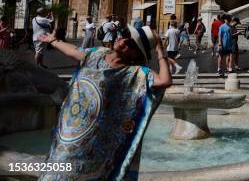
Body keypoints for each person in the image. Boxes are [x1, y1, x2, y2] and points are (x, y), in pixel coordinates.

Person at [38, 25, 171, 179]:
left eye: (130, 44)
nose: (123, 41)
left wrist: (160, 51)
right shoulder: (97, 53)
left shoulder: (134, 73)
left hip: (94, 142)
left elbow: (165, 80)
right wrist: (53, 41)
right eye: (125, 35)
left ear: (136, 53)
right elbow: (74, 51)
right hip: (70, 133)